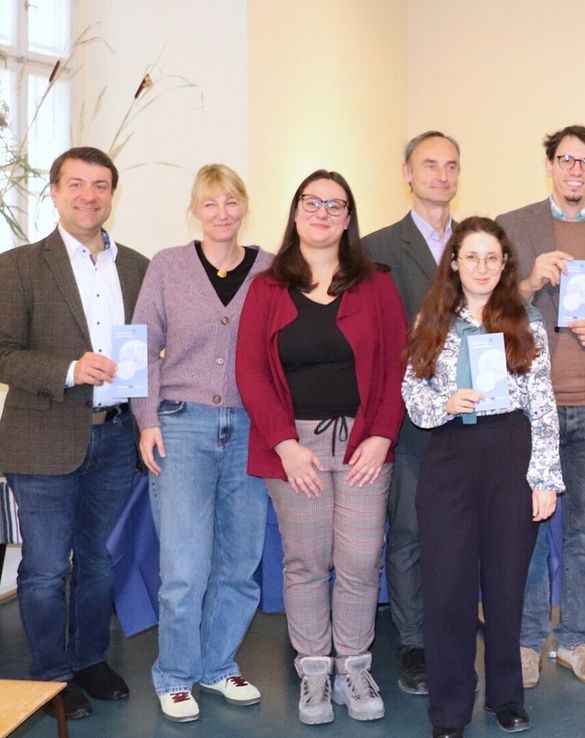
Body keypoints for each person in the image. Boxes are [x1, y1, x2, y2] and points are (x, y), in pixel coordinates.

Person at [235, 170, 407, 726]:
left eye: (335, 205)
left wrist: (382, 436)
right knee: (306, 561)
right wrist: (285, 445)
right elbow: (250, 371)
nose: (323, 213)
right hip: (294, 449)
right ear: (295, 212)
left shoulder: (375, 284)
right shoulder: (266, 287)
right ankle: (313, 669)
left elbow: (398, 365)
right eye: (313, 202)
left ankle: (354, 666)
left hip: (363, 443)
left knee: (359, 560)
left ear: (349, 219)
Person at [0, 146, 149, 719]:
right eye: (77, 184)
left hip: (114, 438)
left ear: (112, 194)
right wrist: (68, 369)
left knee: (99, 560)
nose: (89, 195)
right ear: (55, 193)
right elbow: (3, 353)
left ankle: (89, 660)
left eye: (101, 185)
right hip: (42, 437)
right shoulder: (18, 266)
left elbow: (147, 345)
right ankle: (50, 678)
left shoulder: (137, 267)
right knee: (44, 569)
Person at [403, 216, 563, 738]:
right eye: (471, 257)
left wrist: (545, 478)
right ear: (454, 262)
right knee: (447, 589)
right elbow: (413, 394)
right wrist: (444, 403)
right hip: (450, 457)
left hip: (511, 456)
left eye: (492, 258)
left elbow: (543, 402)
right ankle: (450, 708)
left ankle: (506, 697)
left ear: (505, 264)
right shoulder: (432, 318)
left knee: (506, 586)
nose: (482, 267)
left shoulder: (526, 320)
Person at [498, 124, 585, 688]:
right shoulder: (514, 226)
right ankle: (527, 640)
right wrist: (528, 282)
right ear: (550, 164)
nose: (575, 170)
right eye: (566, 159)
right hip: (532, 408)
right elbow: (486, 308)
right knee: (528, 531)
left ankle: (578, 639)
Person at [131, 164, 273, 721]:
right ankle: (175, 674)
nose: (222, 213)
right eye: (210, 203)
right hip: (180, 425)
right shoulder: (167, 266)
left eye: (231, 202)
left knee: (239, 562)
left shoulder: (269, 269)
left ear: (245, 207)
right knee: (185, 567)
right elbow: (142, 345)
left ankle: (217, 665)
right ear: (195, 210)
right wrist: (146, 419)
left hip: (250, 429)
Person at [362, 130, 462, 695]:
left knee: (461, 528)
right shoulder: (376, 248)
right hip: (407, 411)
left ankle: (451, 624)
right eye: (429, 165)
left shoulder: (475, 242)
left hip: (472, 412)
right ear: (407, 173)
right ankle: (415, 643)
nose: (441, 175)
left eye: (450, 165)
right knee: (408, 530)